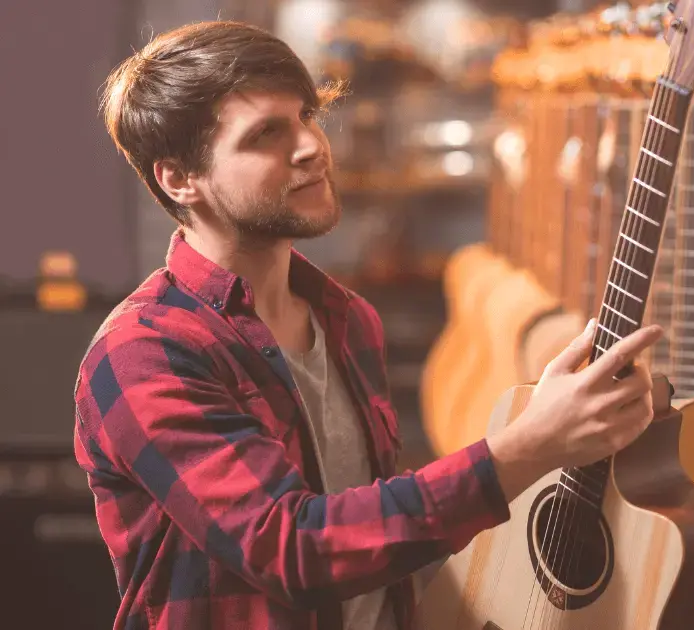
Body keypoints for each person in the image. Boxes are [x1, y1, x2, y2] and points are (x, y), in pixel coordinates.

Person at [74, 20, 663, 630]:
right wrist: (531, 445)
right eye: (266, 135)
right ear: (179, 178)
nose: (310, 146)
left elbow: (375, 527)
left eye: (305, 116)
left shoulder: (347, 317)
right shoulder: (144, 352)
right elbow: (292, 549)